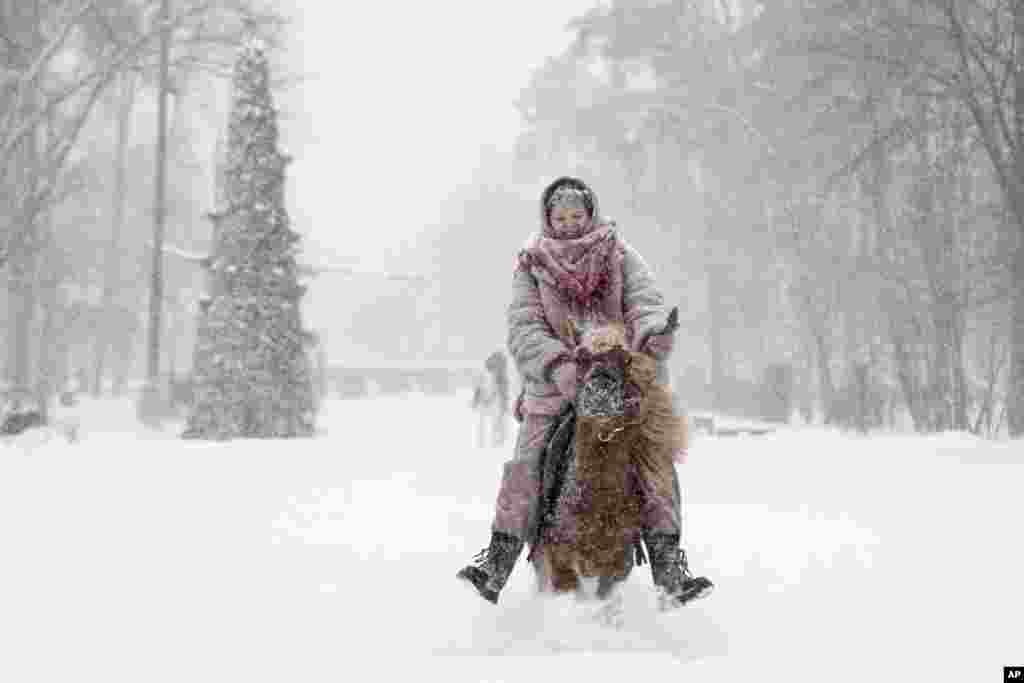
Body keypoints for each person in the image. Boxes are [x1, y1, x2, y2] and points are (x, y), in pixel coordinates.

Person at [456, 176, 713, 606]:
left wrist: (653, 335)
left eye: (578, 215)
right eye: (561, 217)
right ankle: (497, 559)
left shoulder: (621, 254)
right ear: (548, 219)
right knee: (528, 461)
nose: (571, 223)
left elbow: (645, 303)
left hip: (621, 376)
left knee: (655, 461)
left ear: (591, 214)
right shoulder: (531, 265)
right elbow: (524, 326)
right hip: (556, 384)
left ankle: (669, 568)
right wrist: (558, 365)